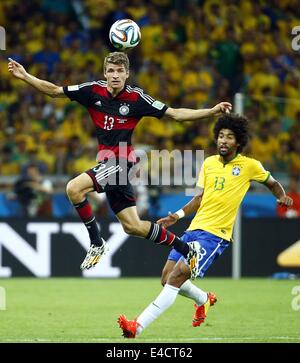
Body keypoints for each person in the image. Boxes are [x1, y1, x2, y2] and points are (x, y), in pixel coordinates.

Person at [8, 53, 231, 272]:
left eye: (120, 71)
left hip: (121, 162)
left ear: (127, 74)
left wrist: (211, 111)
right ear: (105, 73)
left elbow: (176, 114)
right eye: (111, 71)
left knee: (73, 188)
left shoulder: (137, 98)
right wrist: (26, 76)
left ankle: (96, 243)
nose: (115, 75)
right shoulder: (91, 90)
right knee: (133, 227)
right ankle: (186, 249)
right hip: (109, 165)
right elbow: (55, 91)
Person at [118, 113, 293, 338]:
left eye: (229, 137)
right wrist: (178, 216)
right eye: (221, 136)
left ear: (238, 141)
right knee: (166, 278)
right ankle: (204, 299)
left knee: (177, 277)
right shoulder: (209, 163)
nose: (223, 141)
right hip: (193, 229)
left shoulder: (250, 166)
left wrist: (281, 196)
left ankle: (137, 326)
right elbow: (199, 198)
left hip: (215, 235)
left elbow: (273, 183)